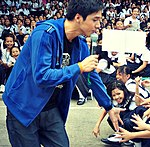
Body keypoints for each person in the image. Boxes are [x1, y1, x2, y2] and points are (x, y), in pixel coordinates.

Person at [2, 1, 122, 146]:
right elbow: (42, 76)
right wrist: (78, 67)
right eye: (95, 19)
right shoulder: (45, 34)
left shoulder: (80, 44)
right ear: (78, 17)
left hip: (50, 108)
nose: (98, 25)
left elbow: (92, 77)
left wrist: (109, 106)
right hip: (23, 106)